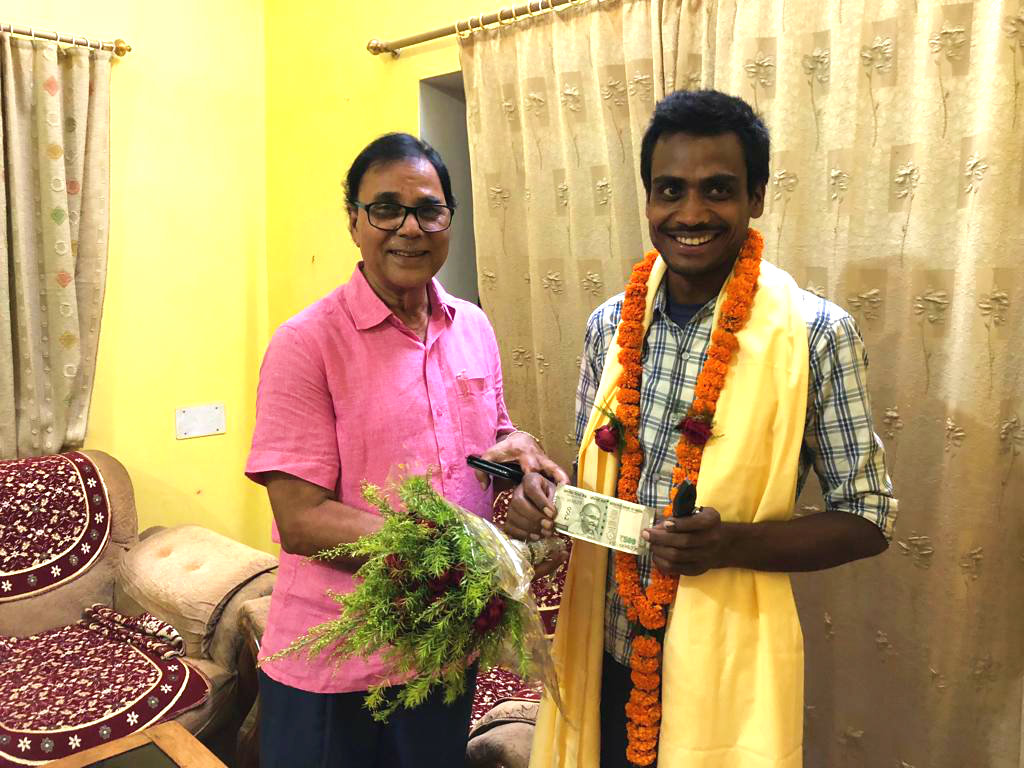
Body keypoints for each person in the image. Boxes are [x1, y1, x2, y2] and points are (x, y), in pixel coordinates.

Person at [507, 91, 898, 767]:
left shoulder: (815, 335)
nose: (690, 214)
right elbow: (592, 490)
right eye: (670, 190)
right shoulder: (610, 326)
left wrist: (733, 543)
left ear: (756, 197)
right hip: (603, 651)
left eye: (717, 190)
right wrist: (543, 507)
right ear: (647, 199)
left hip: (724, 664)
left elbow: (867, 519)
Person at [246, 132, 568, 768]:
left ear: (449, 218)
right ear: (354, 222)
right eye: (385, 209)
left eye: (429, 209)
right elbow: (302, 520)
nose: (409, 229)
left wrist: (520, 453)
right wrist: (458, 548)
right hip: (336, 664)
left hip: (446, 652)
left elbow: (486, 441)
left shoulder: (472, 325)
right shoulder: (306, 344)